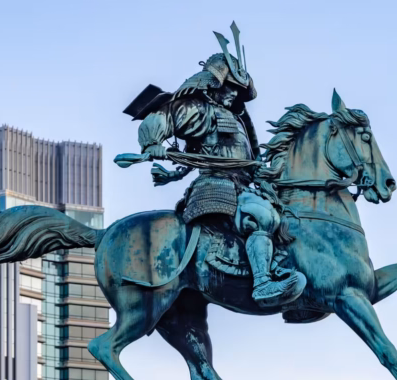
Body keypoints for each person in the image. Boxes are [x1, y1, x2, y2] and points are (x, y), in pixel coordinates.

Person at [126, 24, 304, 308]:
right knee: (262, 217)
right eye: (230, 88)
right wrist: (152, 144)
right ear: (215, 85)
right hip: (217, 185)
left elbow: (250, 158)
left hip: (245, 185)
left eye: (237, 90)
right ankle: (263, 283)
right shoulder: (201, 111)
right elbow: (160, 118)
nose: (234, 94)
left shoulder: (240, 121)